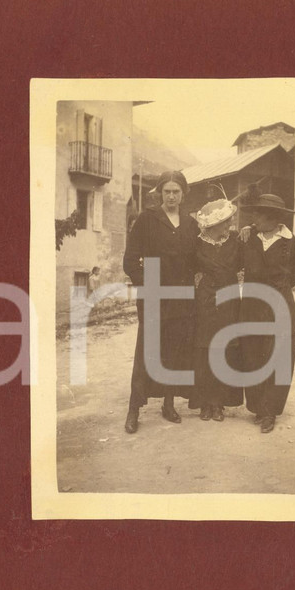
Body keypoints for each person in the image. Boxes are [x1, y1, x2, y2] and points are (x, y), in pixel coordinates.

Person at [122, 170, 198, 432]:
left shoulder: (190, 224)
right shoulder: (147, 219)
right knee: (147, 351)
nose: (171, 196)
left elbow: (198, 259)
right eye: (167, 191)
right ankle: (134, 409)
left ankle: (168, 403)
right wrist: (148, 284)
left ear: (183, 194)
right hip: (154, 296)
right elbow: (130, 260)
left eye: (176, 191)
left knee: (174, 351)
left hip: (181, 298)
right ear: (160, 193)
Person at [239, 194, 295, 434]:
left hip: (280, 306)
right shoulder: (249, 238)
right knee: (253, 356)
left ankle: (270, 411)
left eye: (258, 214)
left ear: (272, 218)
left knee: (279, 357)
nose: (253, 218)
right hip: (252, 306)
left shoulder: (288, 240)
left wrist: (280, 286)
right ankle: (258, 407)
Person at [188, 199, 244, 422]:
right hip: (205, 300)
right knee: (205, 349)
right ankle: (204, 402)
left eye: (229, 221)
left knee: (225, 349)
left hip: (229, 300)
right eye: (225, 222)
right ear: (212, 225)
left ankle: (219, 403)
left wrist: (250, 229)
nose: (229, 224)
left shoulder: (236, 241)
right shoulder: (197, 243)